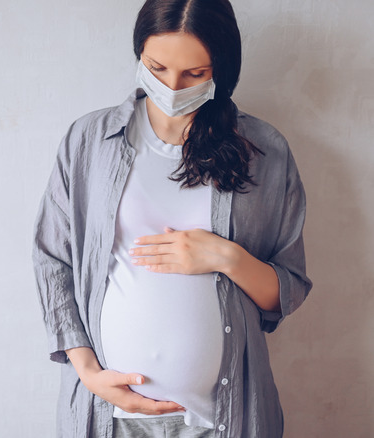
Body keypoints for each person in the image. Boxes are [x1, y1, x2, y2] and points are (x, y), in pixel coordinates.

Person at [31, 0, 312, 437]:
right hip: (110, 417)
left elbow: (287, 290)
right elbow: (53, 261)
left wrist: (226, 257)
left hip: (226, 419)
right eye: (157, 67)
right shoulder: (88, 142)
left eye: (194, 74)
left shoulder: (265, 151)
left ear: (221, 70)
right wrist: (88, 372)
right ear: (139, 53)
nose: (172, 87)